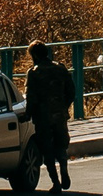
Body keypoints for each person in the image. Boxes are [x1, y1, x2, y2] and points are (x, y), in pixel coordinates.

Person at [24, 40, 75, 191]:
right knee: (60, 145)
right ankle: (64, 169)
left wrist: (28, 115)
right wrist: (64, 106)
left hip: (42, 117)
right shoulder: (60, 68)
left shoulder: (34, 73)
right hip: (59, 114)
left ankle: (56, 183)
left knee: (47, 150)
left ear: (34, 55)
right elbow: (71, 91)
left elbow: (31, 97)